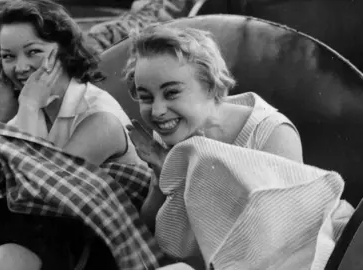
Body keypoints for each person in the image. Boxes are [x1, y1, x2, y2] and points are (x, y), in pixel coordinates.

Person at [0, 1, 145, 270]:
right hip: (48, 235)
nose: (20, 67)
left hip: (105, 249)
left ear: (64, 52)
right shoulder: (31, 112)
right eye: (8, 56)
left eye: (34, 52)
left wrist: (28, 104)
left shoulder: (99, 118)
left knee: (5, 259)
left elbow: (34, 193)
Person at [123, 25, 311, 268]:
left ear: (210, 86)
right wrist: (163, 176)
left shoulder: (272, 136)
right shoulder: (173, 131)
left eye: (171, 93)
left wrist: (190, 175)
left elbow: (286, 246)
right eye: (146, 97)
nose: (157, 111)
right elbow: (149, 229)